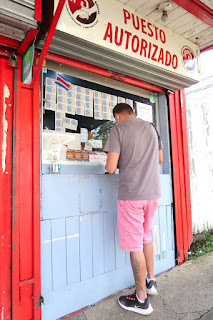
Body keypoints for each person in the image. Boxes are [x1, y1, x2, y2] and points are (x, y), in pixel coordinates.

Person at [103, 103, 163, 315]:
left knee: (134, 245)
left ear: (117, 116)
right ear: (134, 114)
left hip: (132, 196)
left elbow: (110, 168)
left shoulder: (118, 129)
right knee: (145, 237)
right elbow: (159, 159)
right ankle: (151, 282)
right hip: (153, 194)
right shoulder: (151, 127)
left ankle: (141, 299)